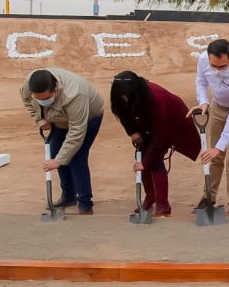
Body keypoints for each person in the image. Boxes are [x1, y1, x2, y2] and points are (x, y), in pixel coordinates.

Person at [109, 71, 201, 215]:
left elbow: (160, 136)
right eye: (121, 96)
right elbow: (122, 113)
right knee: (143, 156)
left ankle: (163, 205)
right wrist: (132, 132)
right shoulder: (122, 96)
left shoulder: (157, 98)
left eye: (126, 95)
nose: (124, 98)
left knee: (154, 160)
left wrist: (145, 163)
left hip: (170, 122)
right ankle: (150, 197)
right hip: (147, 122)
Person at [20, 68, 104, 215]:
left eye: (47, 99)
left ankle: (85, 204)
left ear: (56, 87)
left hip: (88, 117)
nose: (43, 102)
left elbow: (76, 133)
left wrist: (59, 160)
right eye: (39, 100)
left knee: (76, 158)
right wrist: (39, 119)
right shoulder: (30, 83)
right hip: (58, 118)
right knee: (56, 153)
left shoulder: (75, 94)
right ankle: (69, 196)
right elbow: (26, 99)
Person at [186, 38, 229, 214]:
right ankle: (208, 197)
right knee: (214, 157)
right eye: (213, 66)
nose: (217, 70)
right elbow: (201, 81)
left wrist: (219, 146)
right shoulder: (203, 59)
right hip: (217, 108)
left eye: (222, 66)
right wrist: (203, 102)